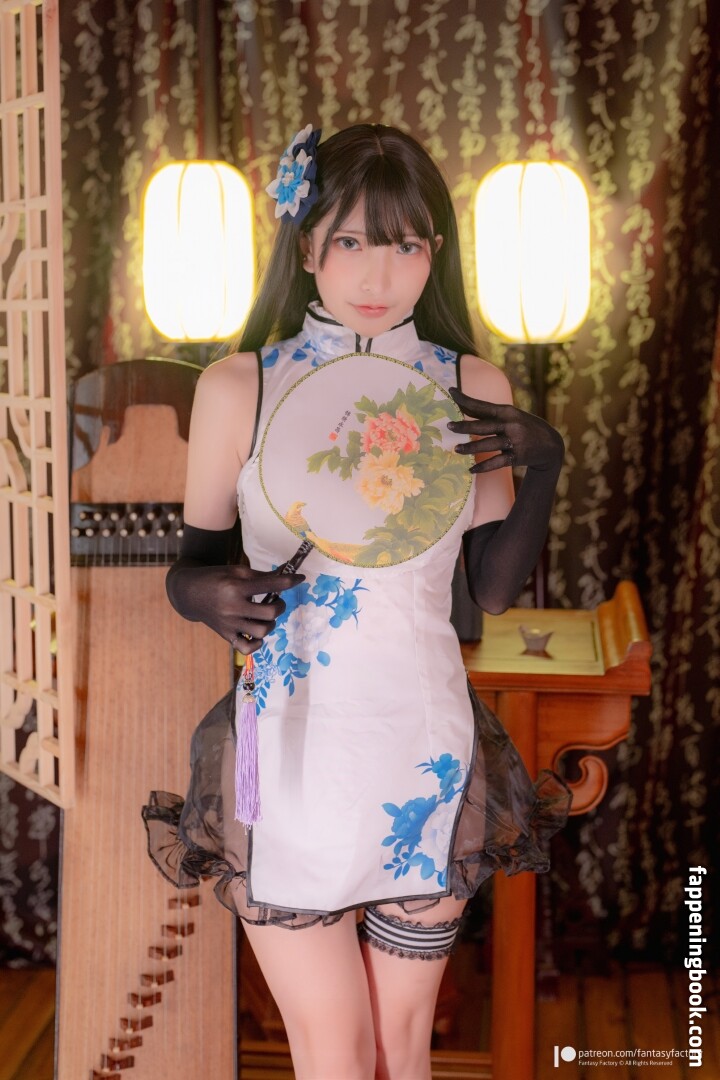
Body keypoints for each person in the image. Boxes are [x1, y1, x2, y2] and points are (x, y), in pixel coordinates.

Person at [143, 123, 570, 1080]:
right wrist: (205, 594)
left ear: (434, 253)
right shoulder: (238, 387)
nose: (378, 273)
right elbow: (192, 567)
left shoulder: (469, 385)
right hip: (288, 746)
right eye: (351, 241)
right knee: (335, 1054)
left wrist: (545, 465)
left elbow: (492, 588)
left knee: (403, 1052)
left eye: (405, 244)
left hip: (423, 744)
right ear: (306, 248)